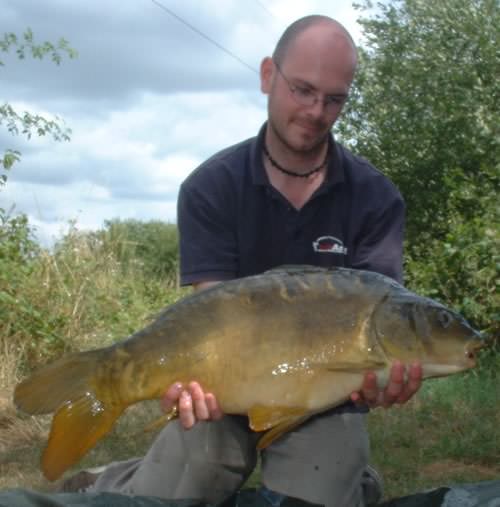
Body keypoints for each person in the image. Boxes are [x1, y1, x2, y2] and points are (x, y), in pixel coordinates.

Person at [62, 14, 422, 507]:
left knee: (323, 481)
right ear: (268, 75)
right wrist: (184, 383)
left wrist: (384, 381)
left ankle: (349, 480)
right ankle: (116, 479)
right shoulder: (211, 186)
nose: (316, 111)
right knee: (189, 481)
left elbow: (381, 314)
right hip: (226, 387)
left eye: (334, 99)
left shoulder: (376, 198)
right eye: (302, 89)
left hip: (326, 397)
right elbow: (211, 316)